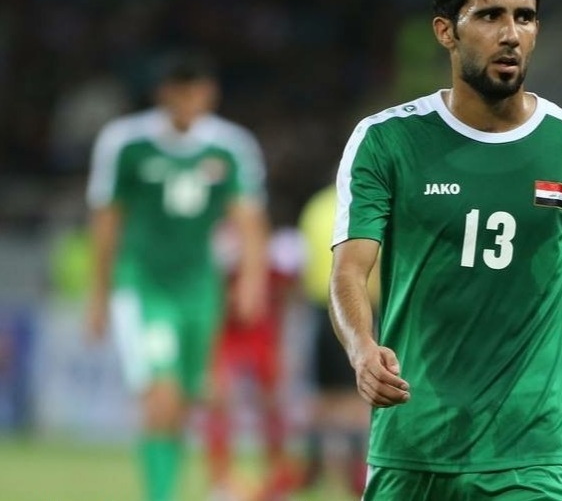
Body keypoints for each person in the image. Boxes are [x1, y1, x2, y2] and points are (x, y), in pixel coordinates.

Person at [328, 0, 562, 501]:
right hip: (412, 446)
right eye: (489, 15)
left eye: (524, 17)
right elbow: (350, 270)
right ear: (446, 31)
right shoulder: (387, 141)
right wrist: (361, 348)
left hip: (532, 455)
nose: (510, 34)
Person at [85, 53, 269, 501]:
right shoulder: (126, 142)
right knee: (161, 397)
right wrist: (99, 294)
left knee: (188, 400)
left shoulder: (231, 146)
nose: (189, 101)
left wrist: (252, 282)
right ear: (163, 94)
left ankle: (193, 485)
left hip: (199, 288)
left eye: (197, 91)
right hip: (144, 285)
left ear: (210, 94)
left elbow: (248, 218)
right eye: (181, 92)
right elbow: (107, 220)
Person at [205, 225, 304, 501]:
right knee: (220, 401)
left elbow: (290, 294)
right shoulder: (223, 246)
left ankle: (277, 481)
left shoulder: (280, 251)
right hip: (227, 335)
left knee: (272, 406)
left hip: (265, 335)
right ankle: (221, 482)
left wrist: (286, 342)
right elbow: (210, 291)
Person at [296, 185, 374, 498]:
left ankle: (319, 470)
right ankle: (355, 472)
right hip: (362, 308)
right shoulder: (371, 201)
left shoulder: (316, 206)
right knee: (358, 396)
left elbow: (305, 264)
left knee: (325, 398)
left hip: (321, 308)